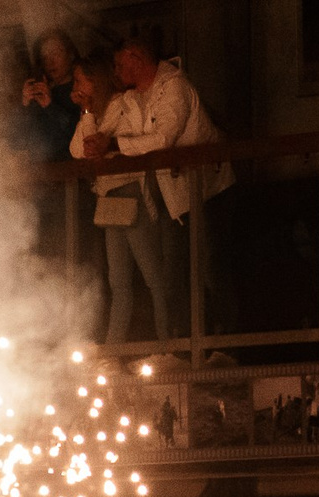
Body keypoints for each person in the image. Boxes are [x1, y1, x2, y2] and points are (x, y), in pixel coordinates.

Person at [88, 37, 235, 336]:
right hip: (172, 196)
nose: (116, 71)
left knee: (210, 271)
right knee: (173, 276)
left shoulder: (174, 87)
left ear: (136, 59)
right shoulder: (135, 97)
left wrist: (114, 144)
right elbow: (98, 141)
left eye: (119, 64)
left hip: (206, 191)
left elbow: (163, 139)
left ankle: (227, 346)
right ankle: (181, 350)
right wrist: (97, 131)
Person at [72, 55, 175, 347]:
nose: (76, 86)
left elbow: (99, 146)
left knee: (153, 275)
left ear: (96, 81)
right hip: (109, 197)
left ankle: (169, 346)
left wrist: (97, 129)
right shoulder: (95, 112)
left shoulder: (123, 103)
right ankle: (114, 348)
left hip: (130, 191)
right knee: (118, 281)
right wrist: (87, 112)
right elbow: (77, 150)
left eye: (81, 80)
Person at [19, 30, 82, 160]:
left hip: (75, 169)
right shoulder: (38, 91)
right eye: (45, 56)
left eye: (56, 53)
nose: (50, 62)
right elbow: (18, 141)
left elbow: (81, 134)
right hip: (42, 172)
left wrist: (51, 106)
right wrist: (25, 105)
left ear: (70, 55)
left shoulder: (81, 88)